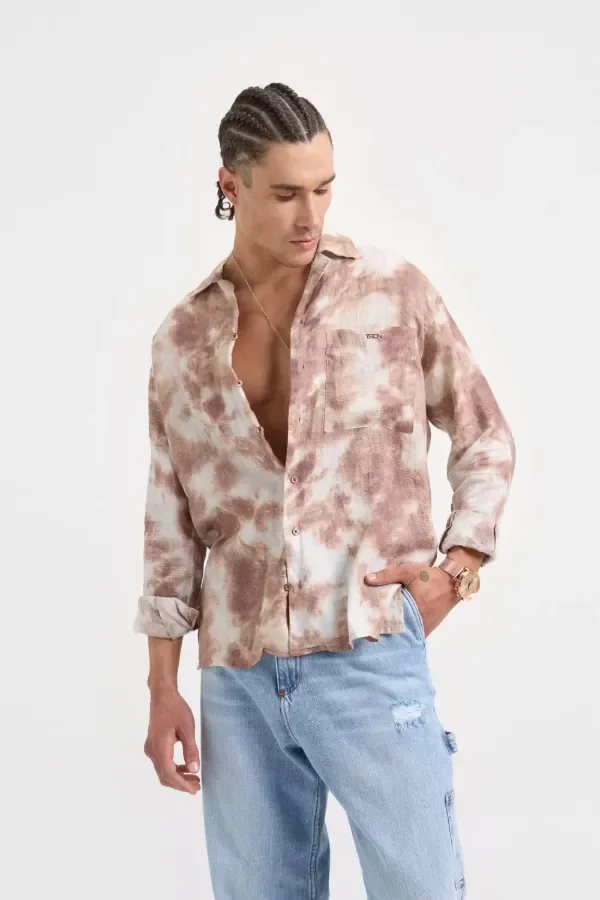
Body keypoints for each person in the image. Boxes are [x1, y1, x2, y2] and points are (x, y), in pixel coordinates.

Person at [133, 81, 516, 899]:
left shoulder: (390, 293)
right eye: (285, 194)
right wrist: (164, 687)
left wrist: (457, 571)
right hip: (237, 679)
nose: (310, 215)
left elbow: (485, 434)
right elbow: (171, 527)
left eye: (323, 188)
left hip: (368, 652)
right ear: (230, 185)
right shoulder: (182, 338)